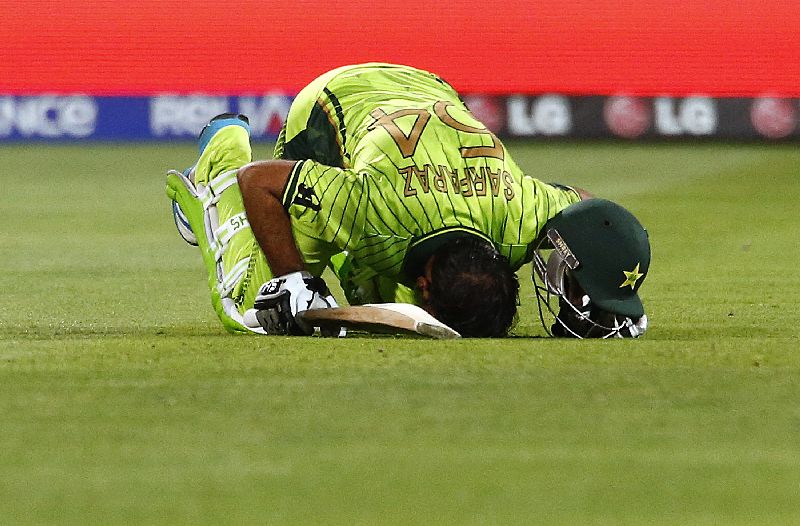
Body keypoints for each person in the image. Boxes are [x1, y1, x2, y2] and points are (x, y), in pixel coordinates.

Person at [167, 63, 650, 338]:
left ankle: (353, 272)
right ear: (422, 285)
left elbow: (585, 208)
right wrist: (294, 279)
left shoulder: (521, 216)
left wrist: (595, 280)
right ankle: (217, 158)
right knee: (256, 310)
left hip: (428, 86)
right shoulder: (369, 207)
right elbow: (260, 182)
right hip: (329, 107)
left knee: (373, 299)